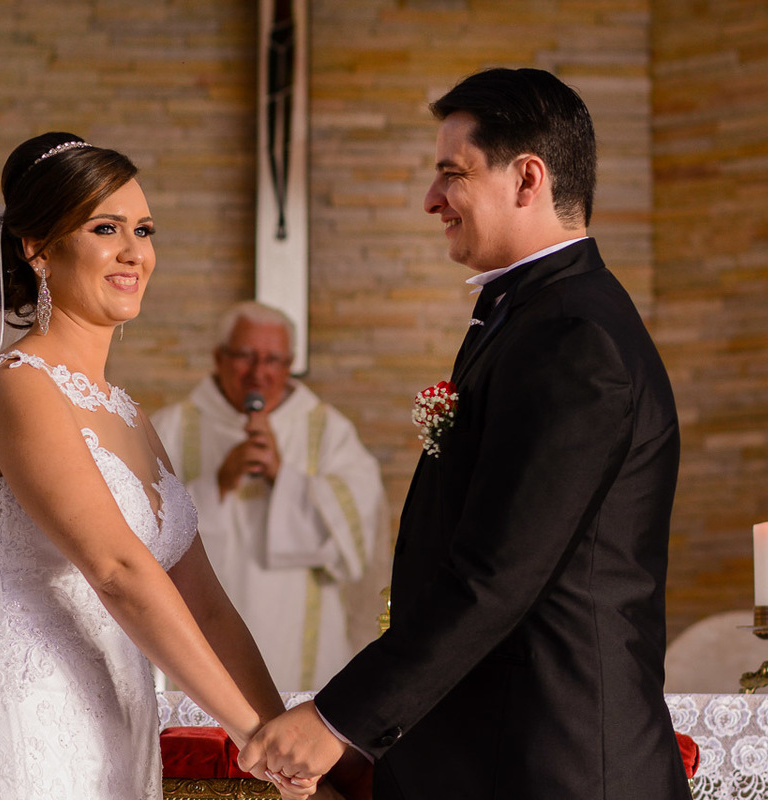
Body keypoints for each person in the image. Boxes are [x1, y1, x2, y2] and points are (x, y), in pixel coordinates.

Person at [240, 68, 694, 799]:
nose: (431, 200)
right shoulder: (529, 320)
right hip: (494, 756)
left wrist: (337, 721)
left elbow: (497, 577)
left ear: (527, 178)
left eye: (452, 173)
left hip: (559, 765)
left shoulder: (575, 338)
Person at [0, 133, 332, 800]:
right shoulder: (20, 387)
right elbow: (118, 569)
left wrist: (282, 732)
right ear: (37, 248)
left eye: (145, 230)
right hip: (26, 712)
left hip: (116, 715)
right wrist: (254, 739)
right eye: (106, 227)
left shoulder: (131, 416)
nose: (136, 252)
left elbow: (205, 603)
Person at [151, 301, 386, 690]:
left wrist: (284, 477)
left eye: (273, 359)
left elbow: (356, 535)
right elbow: (141, 528)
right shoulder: (173, 427)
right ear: (218, 358)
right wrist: (219, 483)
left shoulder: (327, 431)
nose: (259, 372)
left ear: (290, 363)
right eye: (245, 356)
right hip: (202, 626)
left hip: (300, 633)